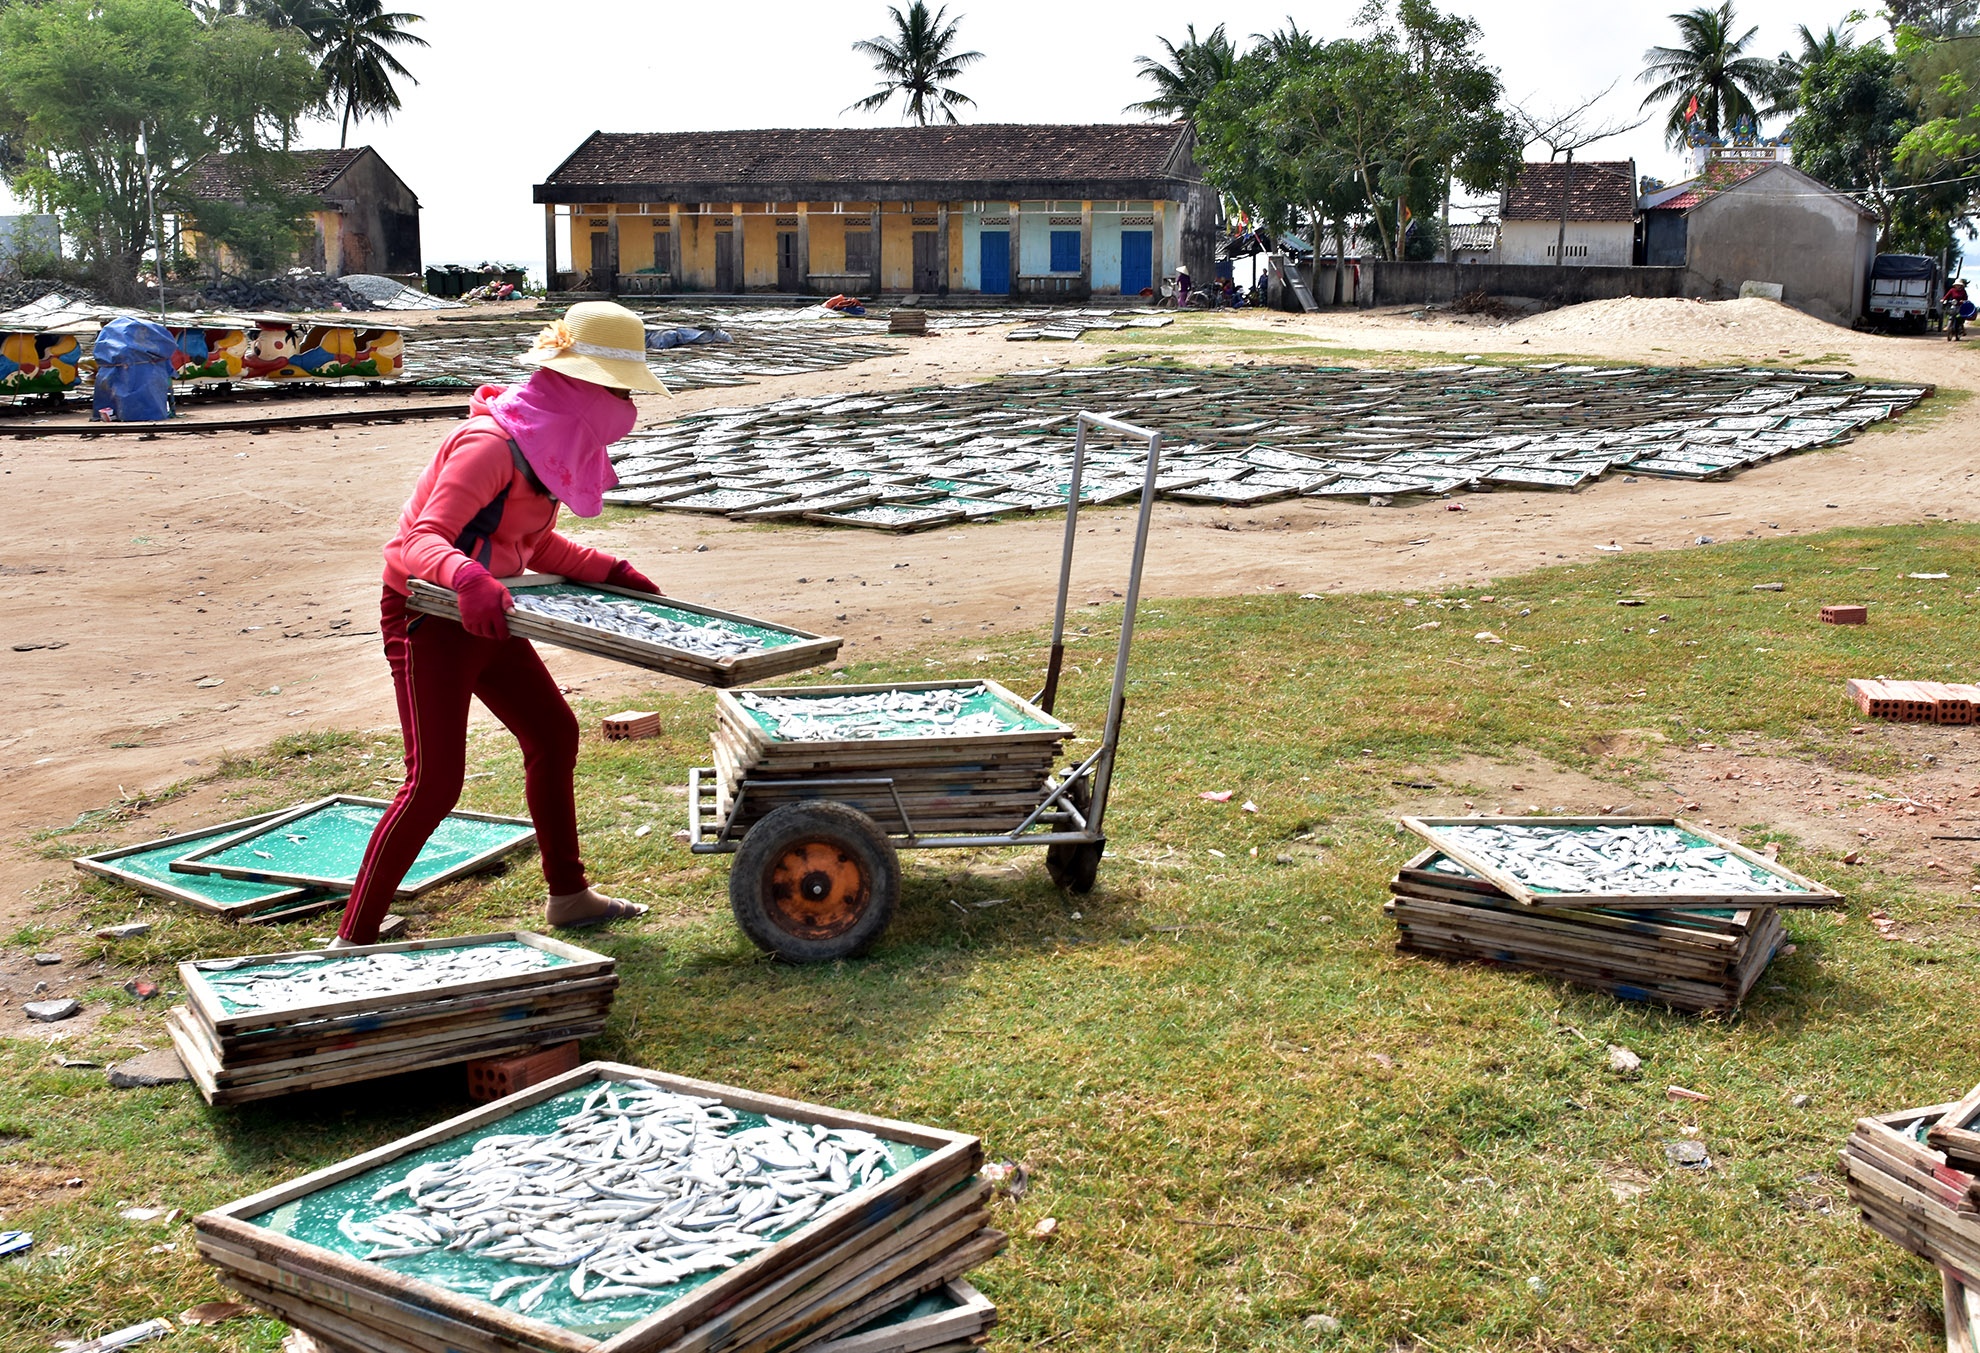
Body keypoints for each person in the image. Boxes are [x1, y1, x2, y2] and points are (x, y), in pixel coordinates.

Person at [333, 301, 667, 947]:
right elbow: (419, 543)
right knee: (433, 784)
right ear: (578, 387)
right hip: (427, 614)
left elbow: (526, 546)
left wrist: (606, 568)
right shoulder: (490, 444)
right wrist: (464, 579)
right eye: (618, 390)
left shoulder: (545, 445)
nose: (626, 406)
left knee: (553, 731)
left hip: (487, 609)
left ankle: (569, 896)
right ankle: (354, 937)